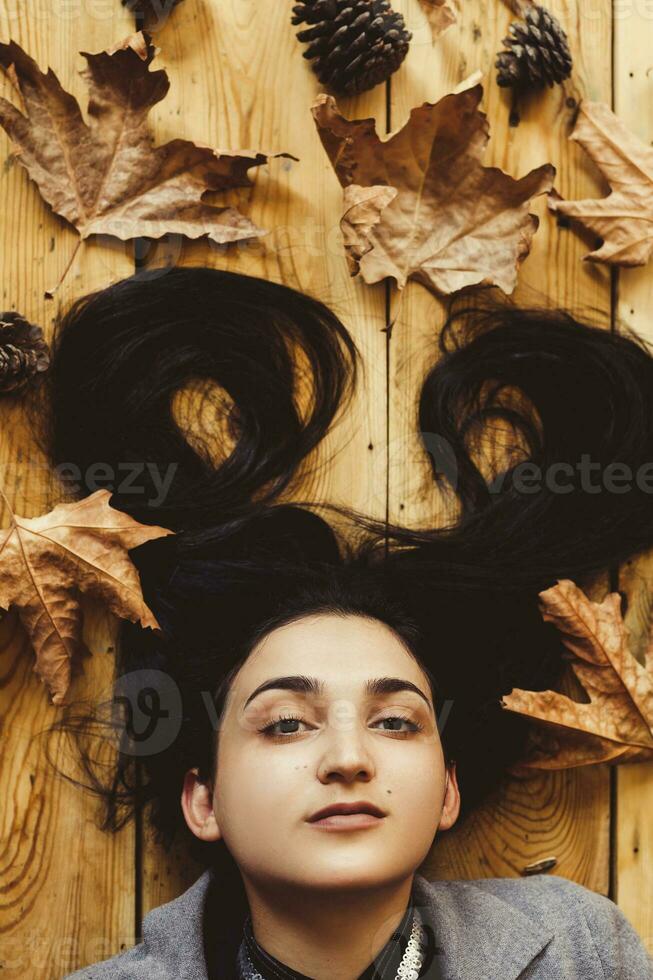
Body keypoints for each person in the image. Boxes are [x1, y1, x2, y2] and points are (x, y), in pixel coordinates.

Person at [35, 267, 652, 978]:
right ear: (204, 801)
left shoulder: (577, 948)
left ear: (446, 790)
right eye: (286, 723)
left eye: (394, 721)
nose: (348, 760)